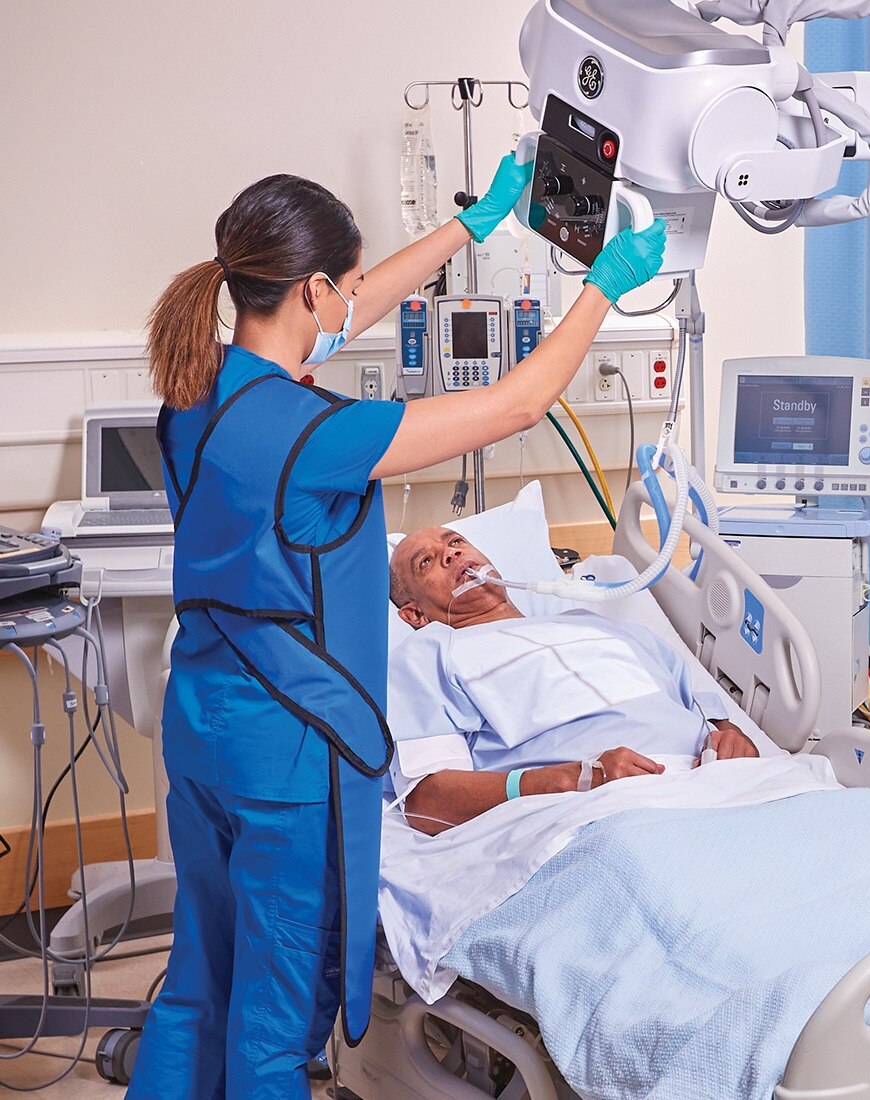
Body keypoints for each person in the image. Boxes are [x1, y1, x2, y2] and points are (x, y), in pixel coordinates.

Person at [128, 153, 666, 1100]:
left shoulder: (192, 393)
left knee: (198, 982)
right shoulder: (315, 432)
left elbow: (346, 306)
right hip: (286, 751)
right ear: (311, 289)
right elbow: (518, 404)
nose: (355, 301)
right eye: (345, 285)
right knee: (275, 1019)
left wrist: (472, 226)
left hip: (203, 726)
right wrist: (602, 289)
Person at [386, 526, 759, 835]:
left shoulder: (601, 625)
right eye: (426, 561)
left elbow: (705, 712)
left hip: (727, 787)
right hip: (605, 809)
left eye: (455, 541)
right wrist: (571, 780)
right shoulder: (427, 657)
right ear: (415, 615)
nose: (450, 553)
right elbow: (427, 801)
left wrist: (732, 738)